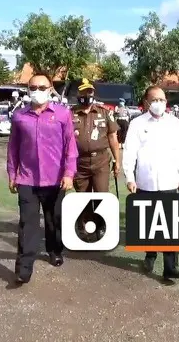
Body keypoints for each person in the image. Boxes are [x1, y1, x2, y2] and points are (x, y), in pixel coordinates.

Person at [6, 73, 78, 284]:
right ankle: (24, 268)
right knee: (27, 223)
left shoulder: (63, 114)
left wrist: (69, 173)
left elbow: (70, 147)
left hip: (56, 179)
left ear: (50, 89)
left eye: (42, 87)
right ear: (28, 90)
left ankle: (55, 250)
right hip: (27, 179)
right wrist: (12, 173)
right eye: (33, 87)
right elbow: (13, 148)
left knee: (54, 220)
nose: (37, 91)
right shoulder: (19, 116)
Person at [123, 86, 179, 281]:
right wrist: (130, 177)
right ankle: (150, 255)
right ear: (146, 102)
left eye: (162, 99)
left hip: (169, 181)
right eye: (155, 100)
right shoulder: (137, 123)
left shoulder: (174, 122)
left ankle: (170, 267)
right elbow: (129, 152)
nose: (159, 103)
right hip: (145, 182)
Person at [71, 78, 120, 239]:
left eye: (89, 91)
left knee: (101, 195)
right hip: (80, 163)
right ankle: (83, 228)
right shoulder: (70, 114)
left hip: (101, 162)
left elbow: (113, 138)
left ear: (93, 93)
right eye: (83, 92)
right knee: (82, 197)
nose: (87, 95)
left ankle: (100, 226)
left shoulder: (104, 112)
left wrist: (117, 161)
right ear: (78, 94)